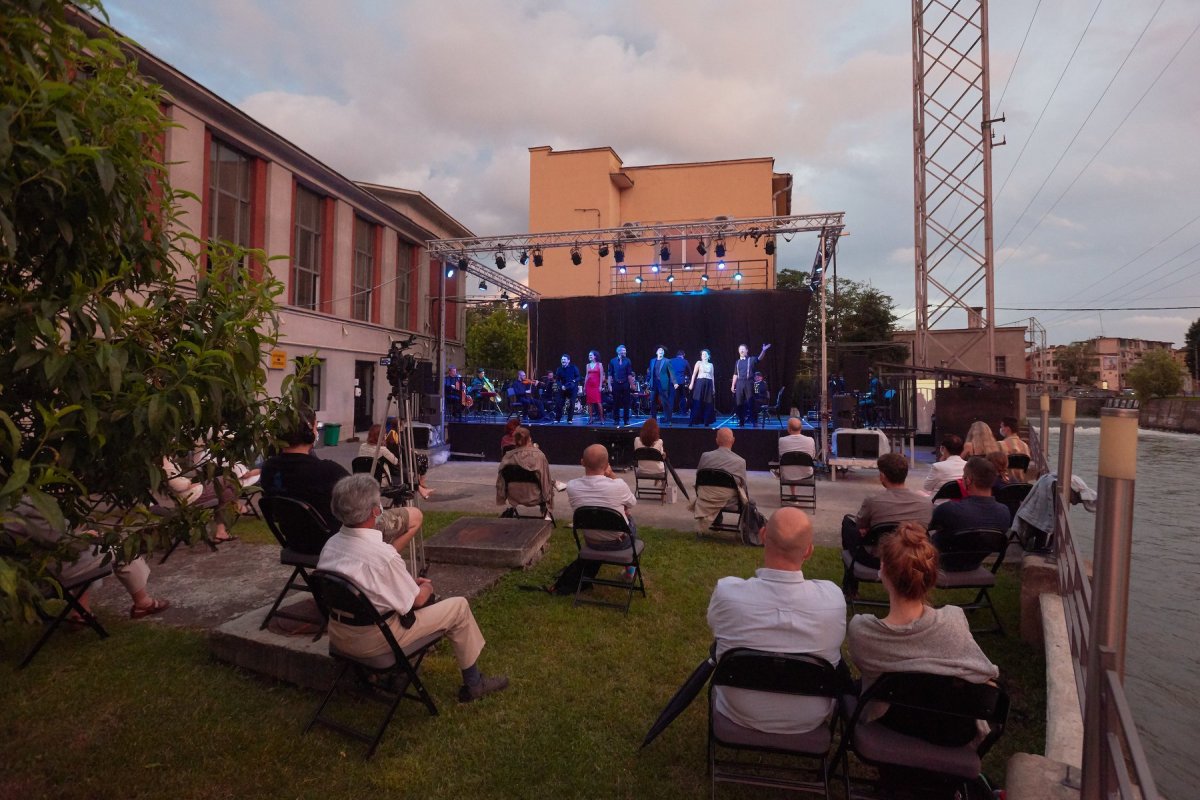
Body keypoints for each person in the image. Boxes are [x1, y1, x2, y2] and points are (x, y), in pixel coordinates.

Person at [318, 474, 508, 703]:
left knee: (401, 605)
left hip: (339, 635)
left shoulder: (331, 545)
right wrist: (426, 587)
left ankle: (391, 675)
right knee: (458, 607)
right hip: (373, 642)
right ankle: (474, 683)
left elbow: (363, 588)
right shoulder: (382, 556)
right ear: (374, 512)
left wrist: (408, 586)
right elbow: (417, 601)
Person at [847, 521, 999, 745]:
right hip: (952, 732)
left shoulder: (862, 632)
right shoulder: (954, 621)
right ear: (931, 576)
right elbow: (985, 676)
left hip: (891, 723)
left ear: (882, 570)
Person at [707, 507, 846, 734]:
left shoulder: (727, 593)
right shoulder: (833, 599)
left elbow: (715, 627)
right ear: (809, 551)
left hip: (738, 708)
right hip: (810, 714)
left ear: (762, 536)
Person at [262, 406, 423, 541]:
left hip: (294, 541)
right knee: (415, 515)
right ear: (309, 432)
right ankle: (381, 564)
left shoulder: (268, 469)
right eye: (315, 427)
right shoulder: (327, 471)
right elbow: (367, 506)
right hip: (335, 541)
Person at [840, 453, 933, 597]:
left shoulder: (873, 501)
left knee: (848, 523)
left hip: (878, 558)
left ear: (882, 475)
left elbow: (860, 526)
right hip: (913, 556)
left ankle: (850, 585)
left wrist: (868, 529)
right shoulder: (926, 504)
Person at [566, 444, 639, 578]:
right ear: (607, 465)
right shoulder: (618, 485)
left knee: (619, 513)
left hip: (591, 541)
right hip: (618, 543)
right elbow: (632, 502)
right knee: (629, 517)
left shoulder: (571, 487)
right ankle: (630, 571)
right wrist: (611, 474)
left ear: (582, 462)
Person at [929, 456, 1013, 545]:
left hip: (945, 555)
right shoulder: (1004, 512)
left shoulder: (948, 509)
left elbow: (931, 527)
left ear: (968, 481)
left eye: (963, 477)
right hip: (984, 555)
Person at [160, 456, 237, 542]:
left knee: (226, 493)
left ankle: (221, 531)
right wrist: (190, 483)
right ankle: (238, 506)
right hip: (190, 496)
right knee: (226, 479)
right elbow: (178, 485)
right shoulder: (164, 461)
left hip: (190, 493)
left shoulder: (166, 459)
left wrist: (190, 483)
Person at [496, 427, 554, 519]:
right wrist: (548, 497)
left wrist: (502, 497)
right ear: (529, 439)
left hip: (514, 496)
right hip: (535, 495)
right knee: (548, 481)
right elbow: (544, 481)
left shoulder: (507, 457)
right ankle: (545, 513)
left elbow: (500, 481)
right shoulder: (539, 456)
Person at [698, 427, 749, 496]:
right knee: (751, 503)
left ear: (717, 441)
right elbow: (743, 488)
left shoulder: (704, 456)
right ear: (733, 440)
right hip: (729, 503)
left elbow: (699, 479)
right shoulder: (740, 462)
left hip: (705, 500)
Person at [731, 343, 771, 426]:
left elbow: (759, 358)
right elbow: (735, 374)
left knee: (751, 402)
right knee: (739, 403)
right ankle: (741, 421)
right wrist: (733, 385)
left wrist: (763, 350)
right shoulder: (737, 362)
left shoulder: (751, 359)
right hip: (739, 383)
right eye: (740, 349)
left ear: (746, 350)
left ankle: (754, 421)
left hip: (749, 383)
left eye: (743, 349)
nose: (741, 350)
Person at [646, 346, 680, 425]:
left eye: (662, 350)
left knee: (665, 402)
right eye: (659, 350)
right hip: (654, 383)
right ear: (656, 352)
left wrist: (675, 382)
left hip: (663, 384)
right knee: (653, 401)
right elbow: (650, 372)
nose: (661, 351)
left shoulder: (667, 361)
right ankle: (653, 419)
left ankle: (668, 419)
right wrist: (647, 381)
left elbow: (672, 372)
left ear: (663, 353)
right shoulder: (652, 361)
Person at [777, 416, 817, 481]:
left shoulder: (781, 440)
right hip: (807, 473)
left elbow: (781, 456)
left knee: (790, 462)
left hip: (786, 474)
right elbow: (812, 457)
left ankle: (793, 490)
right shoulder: (810, 440)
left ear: (788, 429)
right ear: (801, 428)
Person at [607, 344, 635, 427]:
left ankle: (626, 420)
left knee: (626, 403)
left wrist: (632, 385)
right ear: (618, 352)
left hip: (625, 384)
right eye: (623, 351)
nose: (624, 352)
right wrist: (609, 385)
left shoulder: (628, 361)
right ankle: (616, 420)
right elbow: (610, 374)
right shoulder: (612, 361)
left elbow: (629, 374)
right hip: (616, 384)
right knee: (616, 403)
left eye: (625, 351)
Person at [688, 348, 717, 426]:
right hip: (700, 383)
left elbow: (712, 376)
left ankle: (706, 421)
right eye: (702, 354)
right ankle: (692, 421)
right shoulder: (699, 363)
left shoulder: (711, 365)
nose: (704, 355)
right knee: (697, 401)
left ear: (708, 356)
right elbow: (694, 374)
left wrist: (713, 387)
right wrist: (691, 384)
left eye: (705, 354)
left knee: (708, 402)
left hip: (709, 383)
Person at [997, 416, 1031, 481]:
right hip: (1021, 483)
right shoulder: (1025, 446)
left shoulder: (1000, 444)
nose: (1000, 429)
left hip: (1005, 483)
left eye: (1001, 427)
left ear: (1007, 429)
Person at [553, 354, 580, 423]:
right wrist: (561, 386)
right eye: (562, 359)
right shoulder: (559, 369)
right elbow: (557, 380)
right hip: (563, 388)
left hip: (572, 388)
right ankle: (557, 418)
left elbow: (578, 377)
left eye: (564, 359)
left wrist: (574, 381)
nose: (563, 361)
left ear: (568, 361)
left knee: (571, 403)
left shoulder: (573, 367)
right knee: (559, 403)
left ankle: (569, 419)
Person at [583, 350, 606, 424]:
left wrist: (600, 386)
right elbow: (587, 375)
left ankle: (602, 418)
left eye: (591, 355)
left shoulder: (599, 365)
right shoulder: (587, 365)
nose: (589, 356)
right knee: (589, 403)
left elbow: (601, 375)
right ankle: (591, 418)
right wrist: (584, 386)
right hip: (589, 386)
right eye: (589, 355)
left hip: (596, 386)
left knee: (598, 402)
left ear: (595, 356)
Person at [670, 350, 690, 416]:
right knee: (682, 397)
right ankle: (683, 412)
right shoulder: (685, 361)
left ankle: (671, 412)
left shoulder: (671, 360)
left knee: (672, 397)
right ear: (683, 355)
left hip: (672, 381)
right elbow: (689, 372)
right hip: (681, 381)